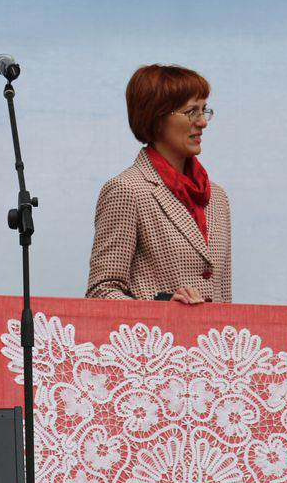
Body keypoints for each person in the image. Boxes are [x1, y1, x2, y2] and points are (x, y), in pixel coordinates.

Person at [87, 64, 231, 304]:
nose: (203, 122)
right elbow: (101, 291)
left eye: (204, 111)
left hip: (209, 331)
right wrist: (161, 309)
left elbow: (224, 299)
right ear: (157, 117)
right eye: (191, 112)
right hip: (154, 330)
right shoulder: (126, 190)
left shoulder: (217, 197)